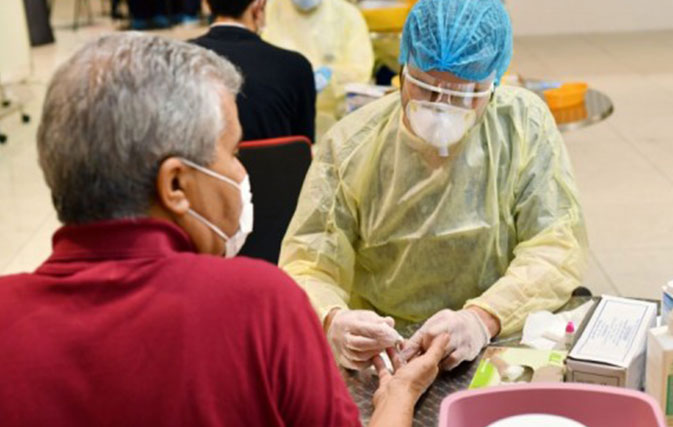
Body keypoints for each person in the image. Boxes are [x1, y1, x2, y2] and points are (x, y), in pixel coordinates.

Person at [0, 32, 448, 427]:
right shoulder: (258, 306)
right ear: (176, 186)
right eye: (232, 152)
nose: (241, 173)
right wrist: (400, 394)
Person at [280, 0, 588, 372]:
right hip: (384, 352)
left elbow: (555, 244)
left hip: (498, 340)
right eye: (425, 88)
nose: (441, 108)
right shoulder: (352, 145)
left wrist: (482, 318)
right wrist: (333, 319)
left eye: (463, 95)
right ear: (403, 67)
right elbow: (308, 262)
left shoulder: (522, 126)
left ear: (493, 83)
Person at [192, 0, 316, 142]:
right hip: (275, 158)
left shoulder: (180, 59)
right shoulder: (296, 66)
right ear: (259, 5)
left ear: (206, 4)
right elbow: (303, 146)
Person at [262, 0, 374, 138]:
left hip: (335, 122)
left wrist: (330, 76)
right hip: (282, 119)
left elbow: (361, 70)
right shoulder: (268, 11)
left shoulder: (347, 14)